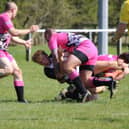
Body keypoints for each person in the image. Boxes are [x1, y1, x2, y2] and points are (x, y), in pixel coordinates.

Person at [44, 28, 116, 102]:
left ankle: (83, 93)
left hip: (85, 47)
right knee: (84, 81)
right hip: (92, 49)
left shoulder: (52, 38)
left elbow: (55, 57)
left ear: (47, 36)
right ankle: (109, 82)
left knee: (67, 67)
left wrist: (57, 73)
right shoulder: (62, 35)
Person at [0, 2, 39, 103]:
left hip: (3, 50)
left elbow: (11, 37)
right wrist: (29, 30)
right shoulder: (4, 17)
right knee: (8, 69)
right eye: (16, 11)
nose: (16, 14)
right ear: (13, 10)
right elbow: (14, 32)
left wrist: (24, 42)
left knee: (17, 71)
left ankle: (21, 100)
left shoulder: (6, 20)